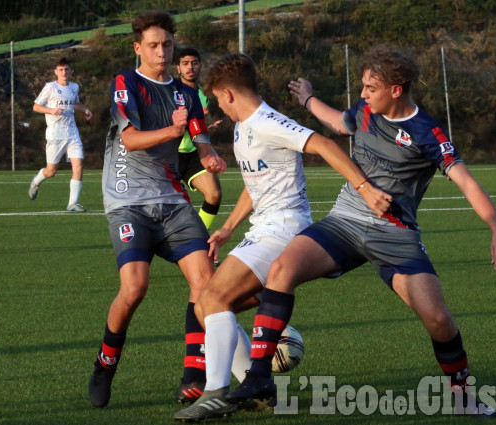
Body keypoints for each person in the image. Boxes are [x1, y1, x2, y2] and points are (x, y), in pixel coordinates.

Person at [226, 45, 496, 418]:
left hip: (395, 236)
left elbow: (466, 181)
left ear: (396, 89)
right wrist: (308, 97)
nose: (362, 94)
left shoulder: (426, 132)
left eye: (370, 87)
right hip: (344, 222)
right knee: (282, 269)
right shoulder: (364, 113)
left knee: (439, 321)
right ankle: (259, 377)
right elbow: (335, 121)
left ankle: (463, 398)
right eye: (363, 86)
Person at [173, 53, 391, 422]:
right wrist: (227, 227)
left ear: (227, 94)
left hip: (284, 229)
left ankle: (215, 394)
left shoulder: (267, 122)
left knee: (211, 297)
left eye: (215, 99)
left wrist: (364, 188)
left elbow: (324, 144)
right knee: (207, 304)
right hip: (264, 228)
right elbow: (255, 184)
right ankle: (256, 389)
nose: (216, 107)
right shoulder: (243, 127)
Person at [88, 10, 227, 409]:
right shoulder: (126, 83)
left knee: (206, 282)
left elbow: (201, 143)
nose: (161, 51)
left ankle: (193, 373)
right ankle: (105, 363)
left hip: (172, 200)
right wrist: (173, 129)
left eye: (167, 43)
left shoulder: (186, 94)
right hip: (128, 200)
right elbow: (130, 140)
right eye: (153, 45)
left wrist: (211, 156)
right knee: (134, 289)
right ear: (138, 48)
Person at [29, 57, 92, 211]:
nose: (64, 72)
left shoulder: (74, 87)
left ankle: (72, 204)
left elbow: (74, 103)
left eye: (66, 69)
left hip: (72, 132)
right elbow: (36, 107)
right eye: (61, 69)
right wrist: (51, 110)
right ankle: (36, 182)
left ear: (70, 71)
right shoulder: (50, 87)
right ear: (56, 72)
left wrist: (84, 109)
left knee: (78, 166)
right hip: (55, 134)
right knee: (51, 171)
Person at [174, 47, 223, 232]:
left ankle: (200, 240)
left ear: (200, 66)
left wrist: (205, 131)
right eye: (185, 64)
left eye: (194, 63)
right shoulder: (172, 92)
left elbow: (197, 125)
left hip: (194, 153)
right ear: (178, 68)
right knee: (175, 207)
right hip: (172, 154)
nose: (190, 67)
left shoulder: (203, 95)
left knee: (214, 194)